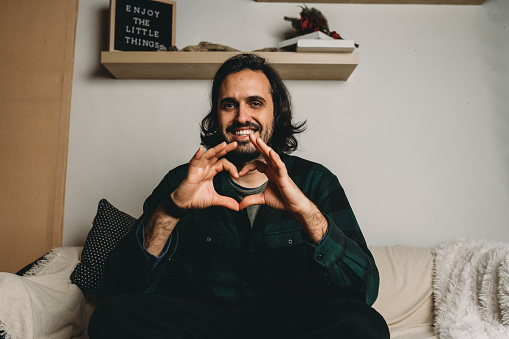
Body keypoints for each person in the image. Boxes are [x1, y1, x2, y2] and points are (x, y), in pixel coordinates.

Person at [88, 53, 389, 339]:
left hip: (290, 325)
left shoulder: (316, 181)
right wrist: (171, 210)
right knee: (111, 316)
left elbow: (363, 292)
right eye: (229, 105)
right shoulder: (184, 180)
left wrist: (307, 214)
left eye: (255, 103)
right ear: (217, 115)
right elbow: (123, 287)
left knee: (364, 325)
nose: (242, 116)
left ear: (277, 112)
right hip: (207, 325)